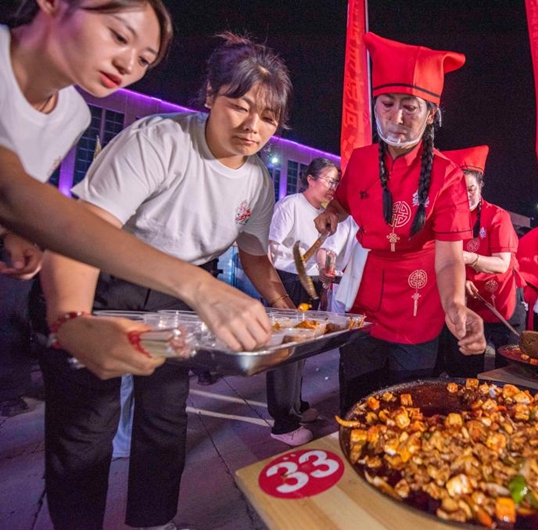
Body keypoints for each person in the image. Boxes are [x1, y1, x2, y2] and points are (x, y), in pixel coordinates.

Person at [37, 33, 293, 530]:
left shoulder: (259, 179)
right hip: (106, 282)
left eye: (268, 117)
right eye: (239, 106)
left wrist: (284, 308)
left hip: (178, 299)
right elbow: (82, 233)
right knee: (87, 422)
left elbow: (255, 254)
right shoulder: (161, 139)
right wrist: (72, 318)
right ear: (209, 97)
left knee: (164, 416)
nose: (252, 127)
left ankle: (154, 520)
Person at [0, 0, 273, 381]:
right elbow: (15, 192)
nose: (128, 65)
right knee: (87, 413)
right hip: (114, 281)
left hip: (166, 295)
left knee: (161, 403)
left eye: (145, 59)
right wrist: (198, 287)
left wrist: (14, 233)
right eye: (118, 36)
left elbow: (16, 199)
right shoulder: (160, 138)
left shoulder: (70, 114)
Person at [313, 32, 485, 413]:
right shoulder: (358, 160)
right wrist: (330, 215)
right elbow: (343, 205)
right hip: (364, 297)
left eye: (411, 107)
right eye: (387, 104)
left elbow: (450, 258)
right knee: (358, 399)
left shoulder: (448, 175)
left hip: (418, 301)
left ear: (431, 113)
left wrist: (456, 306)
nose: (396, 117)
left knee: (408, 404)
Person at [266, 158, 340, 445]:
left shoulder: (325, 214)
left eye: (337, 182)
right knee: (284, 352)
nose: (334, 187)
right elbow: (271, 250)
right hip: (286, 282)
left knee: (301, 351)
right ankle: (282, 423)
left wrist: (325, 272)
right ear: (310, 179)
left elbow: (324, 254)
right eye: (329, 180)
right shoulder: (290, 205)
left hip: (309, 285)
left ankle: (295, 406)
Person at [436, 145, 523, 377]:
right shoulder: (448, 217)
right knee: (465, 373)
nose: (466, 196)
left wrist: (464, 258)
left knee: (507, 372)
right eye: (458, 190)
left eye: (471, 189)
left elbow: (502, 264)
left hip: (500, 303)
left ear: (481, 186)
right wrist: (460, 277)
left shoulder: (497, 216)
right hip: (467, 304)